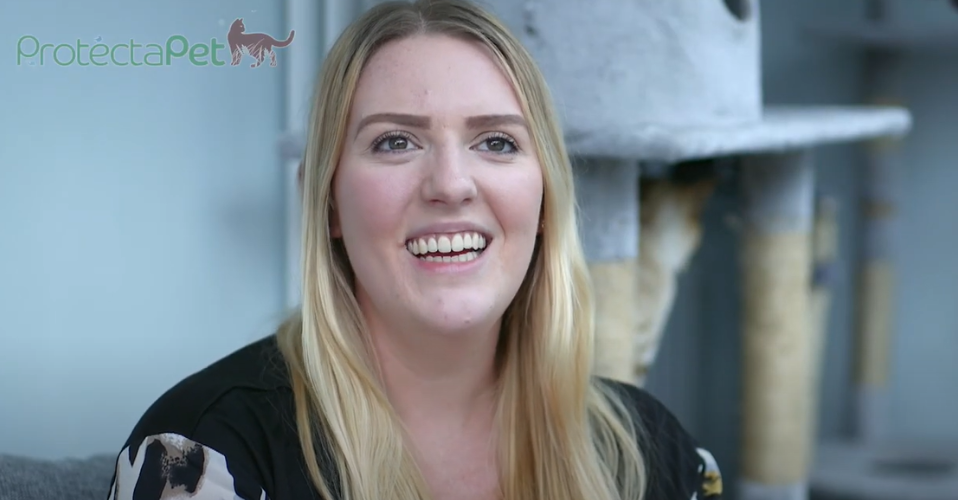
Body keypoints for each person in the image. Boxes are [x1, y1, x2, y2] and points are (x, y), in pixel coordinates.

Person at [106, 0, 724, 499]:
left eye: (497, 142)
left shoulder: (656, 457)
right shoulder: (200, 453)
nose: (451, 184)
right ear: (328, 203)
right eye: (396, 142)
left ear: (544, 202)